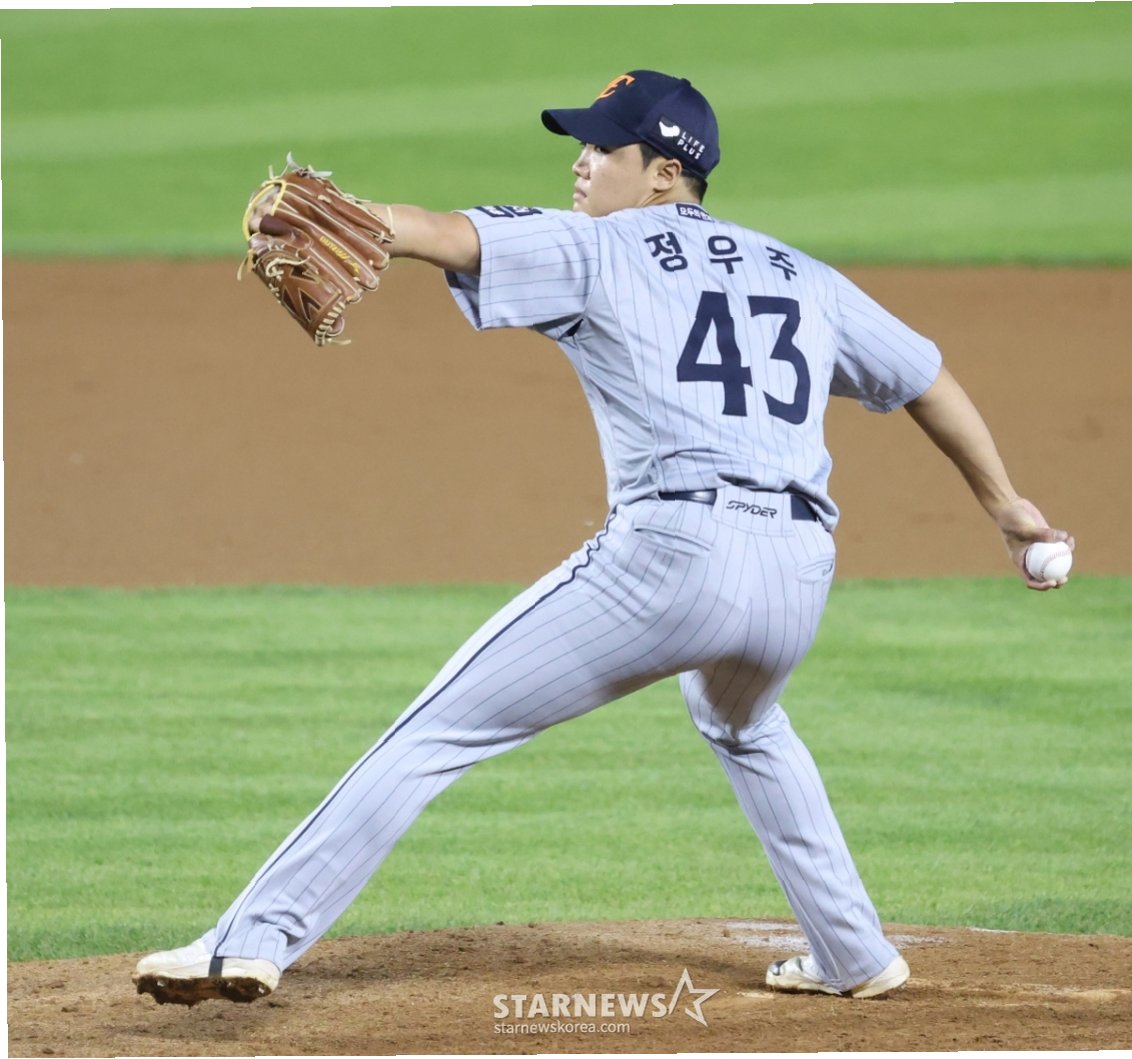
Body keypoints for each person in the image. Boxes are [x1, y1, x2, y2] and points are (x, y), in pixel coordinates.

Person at [134, 69, 1073, 1006]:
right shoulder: (802, 274)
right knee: (744, 722)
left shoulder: (595, 246)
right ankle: (854, 951)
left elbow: (440, 232)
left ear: (664, 172)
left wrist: (359, 215)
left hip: (672, 558)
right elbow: (924, 377)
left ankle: (243, 944)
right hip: (798, 573)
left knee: (436, 728)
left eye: (601, 147)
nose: (580, 164)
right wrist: (1005, 504)